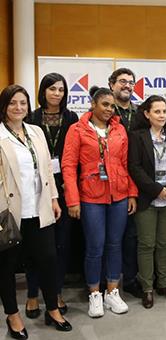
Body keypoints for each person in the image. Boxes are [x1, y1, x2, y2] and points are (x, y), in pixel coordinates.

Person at [0, 84, 72, 338]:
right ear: (4, 107)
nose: (18, 108)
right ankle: (13, 315)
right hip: (10, 213)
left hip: (40, 210)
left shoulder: (37, 132)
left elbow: (47, 171)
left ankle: (52, 308)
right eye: (12, 103)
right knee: (7, 267)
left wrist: (53, 198)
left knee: (48, 261)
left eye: (23, 103)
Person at [62, 86, 138, 318]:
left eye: (112, 105)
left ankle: (112, 292)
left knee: (115, 244)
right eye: (104, 104)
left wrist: (132, 193)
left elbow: (127, 164)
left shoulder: (119, 130)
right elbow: (68, 166)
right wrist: (72, 200)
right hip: (90, 197)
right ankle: (94, 294)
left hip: (119, 195)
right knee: (95, 246)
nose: (109, 109)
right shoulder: (77, 130)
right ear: (93, 104)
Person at [24, 72, 78, 319]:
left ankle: (56, 292)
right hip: (37, 189)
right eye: (52, 89)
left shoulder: (71, 117)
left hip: (65, 188)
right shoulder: (31, 117)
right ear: (43, 91)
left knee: (61, 244)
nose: (57, 94)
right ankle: (33, 294)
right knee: (36, 245)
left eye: (61, 90)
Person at [128, 95, 166, 308]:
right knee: (146, 244)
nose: (161, 115)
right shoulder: (137, 137)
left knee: (164, 244)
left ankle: (164, 284)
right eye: (157, 111)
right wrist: (156, 189)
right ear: (147, 114)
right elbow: (134, 167)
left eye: (164, 111)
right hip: (147, 199)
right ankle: (147, 288)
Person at [108, 68, 143, 298]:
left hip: (135, 179)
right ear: (112, 84)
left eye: (131, 82)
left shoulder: (140, 112)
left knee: (131, 236)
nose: (127, 86)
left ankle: (129, 279)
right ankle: (104, 280)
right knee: (106, 237)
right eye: (122, 82)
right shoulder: (105, 111)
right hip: (107, 180)